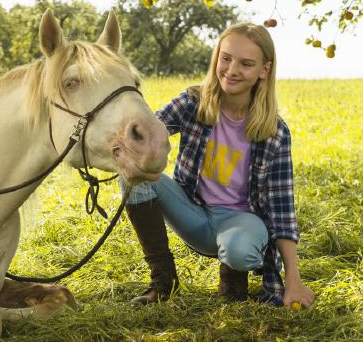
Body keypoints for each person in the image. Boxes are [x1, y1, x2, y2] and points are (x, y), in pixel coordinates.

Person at [120, 22, 315, 308]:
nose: (232, 70)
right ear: (217, 58)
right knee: (133, 177)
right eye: (226, 58)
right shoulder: (193, 103)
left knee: (239, 250)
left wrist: (294, 280)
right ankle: (163, 281)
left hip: (241, 223)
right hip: (192, 212)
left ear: (264, 70)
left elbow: (282, 210)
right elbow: (149, 132)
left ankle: (232, 286)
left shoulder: (275, 132)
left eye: (246, 63)